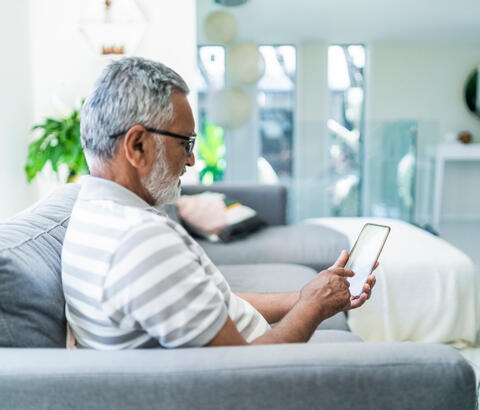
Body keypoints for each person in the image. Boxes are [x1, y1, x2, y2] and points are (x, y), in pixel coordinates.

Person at [61, 57, 376, 349]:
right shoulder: (142, 241)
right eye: (185, 142)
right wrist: (314, 307)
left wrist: (307, 295)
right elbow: (240, 374)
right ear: (138, 145)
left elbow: (213, 304)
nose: (192, 159)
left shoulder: (91, 214)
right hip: (270, 375)